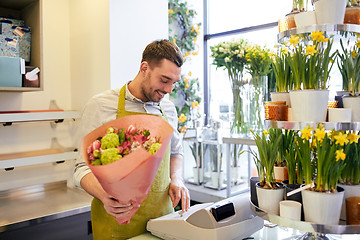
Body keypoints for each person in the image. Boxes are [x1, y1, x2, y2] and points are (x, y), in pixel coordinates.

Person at [73, 39, 190, 239]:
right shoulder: (101, 105)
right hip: (116, 222)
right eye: (164, 80)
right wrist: (104, 196)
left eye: (174, 82)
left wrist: (176, 178)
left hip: (162, 219)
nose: (169, 89)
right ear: (144, 68)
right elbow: (81, 168)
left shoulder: (168, 109)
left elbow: (176, 152)